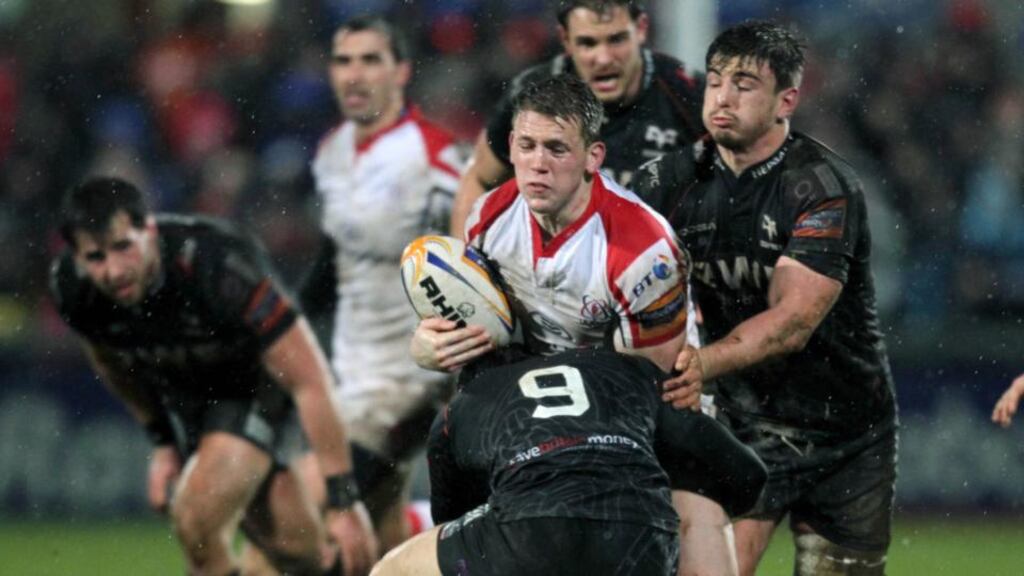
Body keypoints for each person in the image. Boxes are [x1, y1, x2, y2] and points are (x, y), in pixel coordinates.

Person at [411, 73, 741, 576]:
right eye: (526, 145)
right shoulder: (487, 221)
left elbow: (645, 385)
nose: (538, 164)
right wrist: (430, 347)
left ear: (593, 157)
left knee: (695, 511)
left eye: (556, 149)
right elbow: (481, 335)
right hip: (538, 390)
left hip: (647, 385)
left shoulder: (642, 251)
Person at [635, 21, 899, 575]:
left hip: (847, 431)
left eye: (744, 84)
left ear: (787, 100)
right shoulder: (664, 185)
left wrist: (700, 363)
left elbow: (792, 321)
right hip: (743, 423)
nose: (722, 97)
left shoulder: (823, 186)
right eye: (715, 81)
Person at [50, 177, 378, 576]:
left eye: (123, 247)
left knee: (196, 517)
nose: (114, 271)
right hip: (191, 398)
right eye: (96, 257)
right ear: (77, 258)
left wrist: (344, 501)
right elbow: (111, 363)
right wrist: (164, 443)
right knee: (298, 552)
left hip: (254, 385)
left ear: (149, 229)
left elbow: (309, 379)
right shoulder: (73, 290)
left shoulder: (217, 265)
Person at [371, 347, 767, 576]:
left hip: (530, 532)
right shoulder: (631, 369)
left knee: (393, 570)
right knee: (693, 504)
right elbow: (747, 474)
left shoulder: (464, 405)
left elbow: (451, 520)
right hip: (640, 535)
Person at [298, 16, 464, 553]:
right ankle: (432, 534)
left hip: (404, 386)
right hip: (347, 376)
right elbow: (333, 261)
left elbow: (475, 262)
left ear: (402, 72)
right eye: (344, 61)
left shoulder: (433, 159)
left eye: (371, 60)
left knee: (299, 523)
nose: (355, 74)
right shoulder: (332, 153)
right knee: (376, 543)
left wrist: (446, 379)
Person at [448, 0, 704, 238]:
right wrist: (465, 264)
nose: (603, 58)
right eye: (588, 43)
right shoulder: (531, 92)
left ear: (641, 29)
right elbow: (479, 178)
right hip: (552, 271)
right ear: (565, 40)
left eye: (616, 39)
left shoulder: (690, 95)